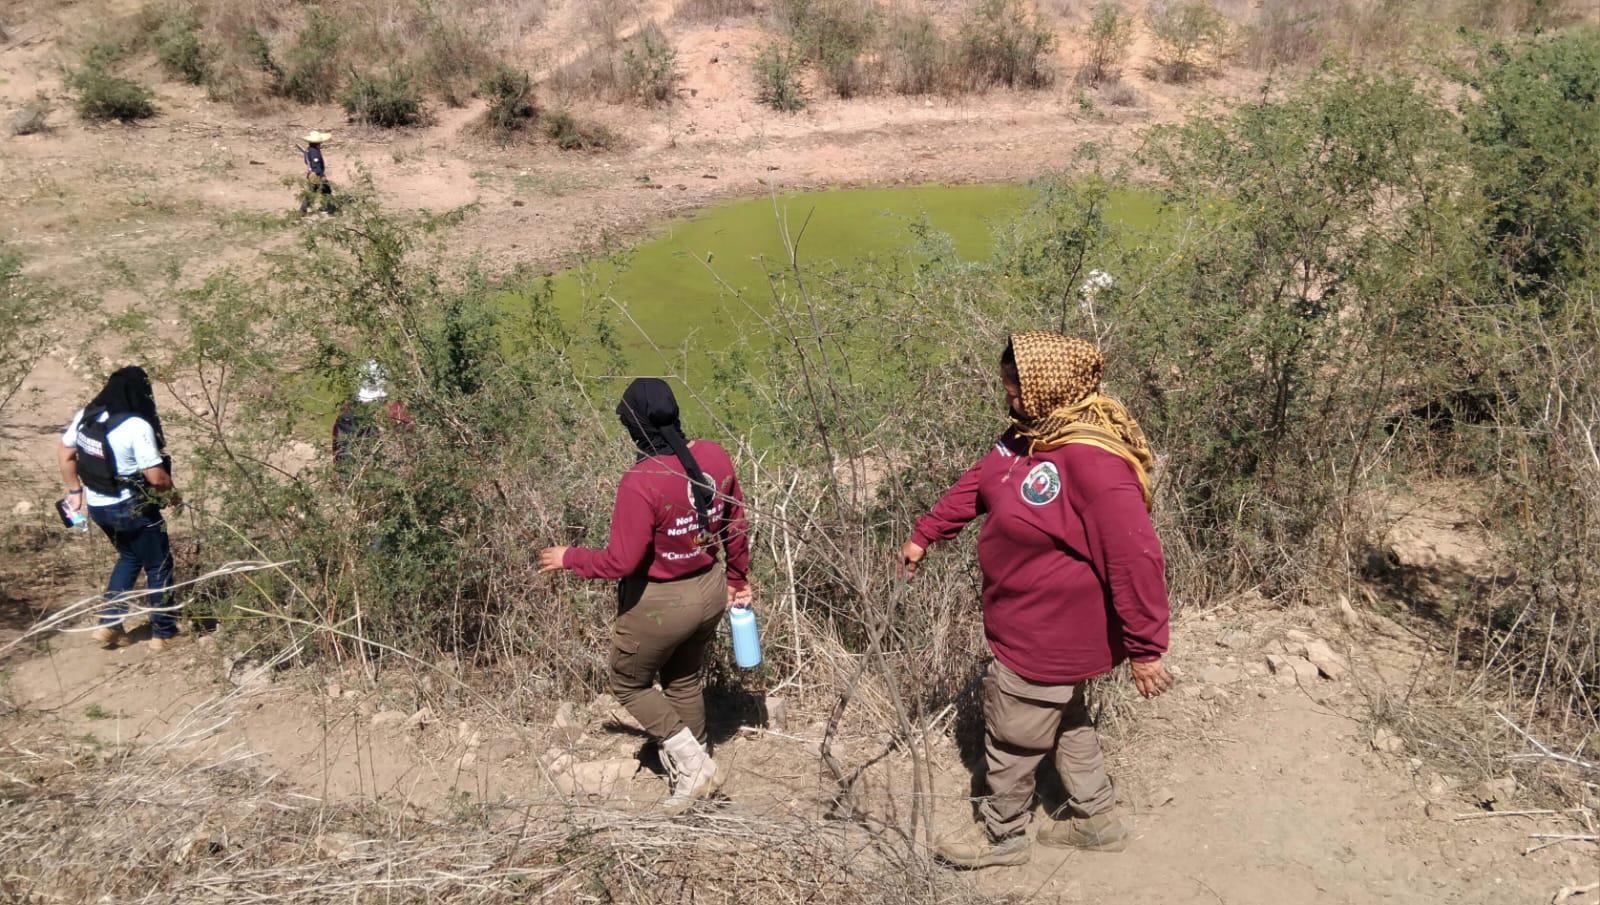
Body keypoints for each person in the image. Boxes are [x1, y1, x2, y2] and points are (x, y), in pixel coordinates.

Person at [900, 332, 1172, 869]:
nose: (1008, 398)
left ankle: (1003, 836)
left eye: (1015, 389)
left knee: (1013, 733)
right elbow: (982, 479)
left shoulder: (1092, 462)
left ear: (1049, 387)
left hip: (1050, 630)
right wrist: (927, 532)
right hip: (1030, 620)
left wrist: (1146, 646)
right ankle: (1096, 820)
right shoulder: (1030, 434)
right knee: (1066, 715)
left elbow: (1135, 556)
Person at [539, 378, 752, 813]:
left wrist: (570, 557)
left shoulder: (641, 480)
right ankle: (695, 770)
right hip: (710, 590)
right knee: (683, 678)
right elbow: (735, 523)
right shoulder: (713, 454)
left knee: (627, 682)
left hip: (660, 603)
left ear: (635, 426)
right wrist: (737, 578)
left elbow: (621, 561)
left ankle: (694, 767)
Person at [57, 366, 182, 651]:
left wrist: (74, 492)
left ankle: (109, 625)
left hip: (99, 507)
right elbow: (155, 476)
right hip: (132, 508)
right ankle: (164, 633)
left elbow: (65, 452)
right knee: (158, 564)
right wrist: (174, 495)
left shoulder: (87, 415)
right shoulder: (136, 426)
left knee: (128, 558)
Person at [332, 361, 413, 467]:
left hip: (350, 474)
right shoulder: (395, 410)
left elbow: (337, 449)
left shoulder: (345, 411)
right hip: (386, 472)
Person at [298, 130, 337, 215]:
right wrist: (321, 175)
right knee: (326, 190)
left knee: (313, 191)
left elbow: (307, 161)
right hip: (316, 174)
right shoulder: (314, 152)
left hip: (311, 174)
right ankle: (330, 209)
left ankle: (303, 210)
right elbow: (316, 165)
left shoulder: (308, 150)